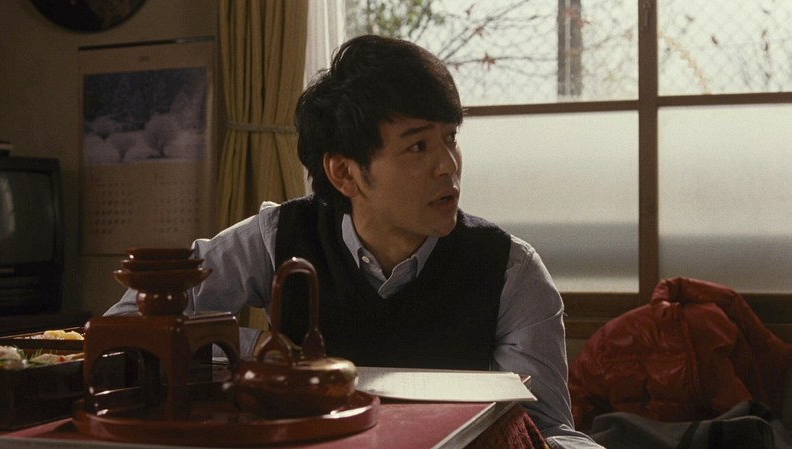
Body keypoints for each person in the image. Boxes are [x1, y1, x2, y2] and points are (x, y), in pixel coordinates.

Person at [106, 34, 603, 448]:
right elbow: (128, 328)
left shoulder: (509, 269)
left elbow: (549, 430)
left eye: (451, 137)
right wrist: (264, 350)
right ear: (344, 172)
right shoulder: (279, 236)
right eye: (418, 145)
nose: (448, 165)